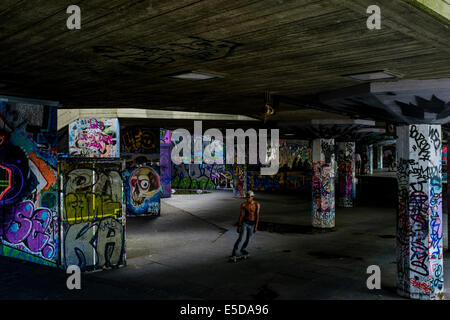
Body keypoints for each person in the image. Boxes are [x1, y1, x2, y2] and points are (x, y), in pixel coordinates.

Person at [231, 190, 260, 259]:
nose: (247, 198)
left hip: (252, 224)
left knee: (248, 239)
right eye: (246, 197)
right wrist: (239, 226)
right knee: (240, 238)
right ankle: (234, 252)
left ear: (252, 197)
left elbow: (257, 216)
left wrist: (256, 226)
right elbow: (241, 215)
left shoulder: (257, 204)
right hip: (245, 223)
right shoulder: (244, 204)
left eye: (248, 197)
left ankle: (243, 249)